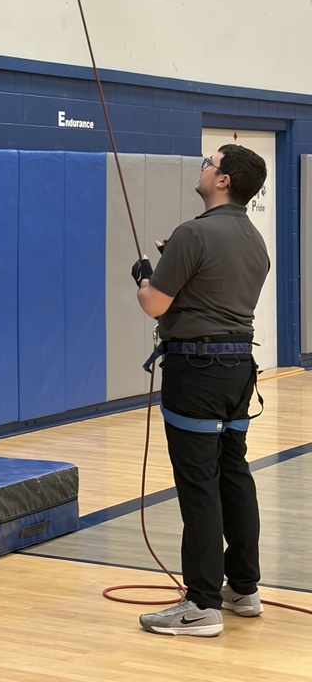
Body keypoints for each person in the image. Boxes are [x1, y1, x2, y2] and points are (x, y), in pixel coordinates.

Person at [130, 144, 270, 637]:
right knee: (234, 474)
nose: (203, 167)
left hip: (197, 371)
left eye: (209, 163)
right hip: (239, 370)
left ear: (225, 180)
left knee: (199, 484)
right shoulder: (255, 239)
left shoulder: (193, 233)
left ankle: (201, 604)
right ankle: (244, 589)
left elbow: (154, 304)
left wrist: (145, 276)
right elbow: (214, 290)